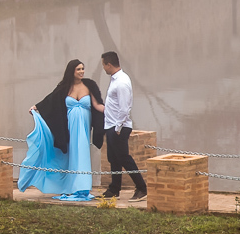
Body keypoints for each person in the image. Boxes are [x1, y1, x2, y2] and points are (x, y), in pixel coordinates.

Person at [18, 59, 105, 200]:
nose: (82, 71)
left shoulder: (89, 85)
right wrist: (36, 107)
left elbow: (97, 105)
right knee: (71, 153)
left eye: (83, 69)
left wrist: (113, 112)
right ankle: (72, 186)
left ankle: (83, 186)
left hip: (84, 126)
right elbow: (51, 100)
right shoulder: (65, 87)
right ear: (72, 71)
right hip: (70, 126)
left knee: (82, 151)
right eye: (78, 69)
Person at [99, 51, 147, 201]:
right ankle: (114, 188)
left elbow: (125, 108)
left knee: (124, 158)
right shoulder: (115, 80)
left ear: (109, 64)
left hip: (119, 127)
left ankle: (142, 187)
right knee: (113, 158)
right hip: (111, 125)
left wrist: (118, 128)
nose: (104, 69)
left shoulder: (122, 82)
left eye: (104, 65)